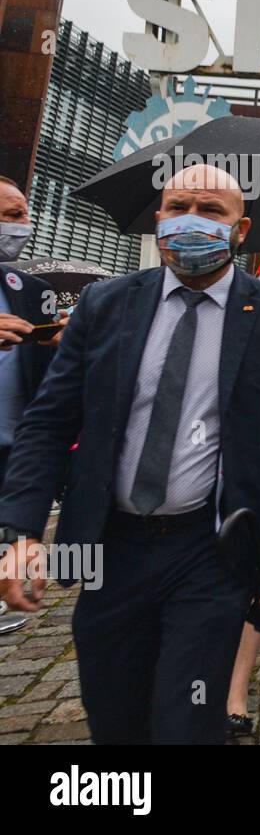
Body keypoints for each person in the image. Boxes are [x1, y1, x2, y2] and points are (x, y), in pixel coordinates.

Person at [0, 163, 260, 744]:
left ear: (240, 228)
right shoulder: (106, 305)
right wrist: (20, 530)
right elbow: (49, 422)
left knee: (187, 720)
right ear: (158, 219)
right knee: (114, 714)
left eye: (211, 211)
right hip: (106, 548)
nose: (192, 222)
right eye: (178, 208)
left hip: (209, 550)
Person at [0, 174, 60, 637]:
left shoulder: (29, 288)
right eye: (12, 216)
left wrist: (61, 341)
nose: (25, 225)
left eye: (25, 215)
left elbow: (50, 374)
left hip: (14, 442)